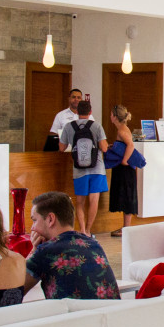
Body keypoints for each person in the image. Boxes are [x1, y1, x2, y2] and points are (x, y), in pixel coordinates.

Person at [23, 191, 120, 300]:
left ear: (50, 219)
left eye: (34, 220)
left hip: (75, 312)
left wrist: (34, 250)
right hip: (113, 310)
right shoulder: (94, 245)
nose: (32, 228)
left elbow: (14, 291)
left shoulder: (46, 251)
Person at [59, 99, 108, 237]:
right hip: (97, 169)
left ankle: (82, 230)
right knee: (94, 200)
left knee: (80, 202)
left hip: (79, 169)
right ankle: (88, 230)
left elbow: (61, 148)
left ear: (77, 112)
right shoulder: (97, 126)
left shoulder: (69, 126)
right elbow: (104, 148)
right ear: (90, 112)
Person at [107, 104, 138, 237]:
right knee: (125, 195)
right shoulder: (121, 129)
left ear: (114, 116)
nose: (110, 116)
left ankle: (126, 228)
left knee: (127, 195)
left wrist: (125, 160)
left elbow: (130, 145)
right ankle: (125, 227)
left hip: (125, 168)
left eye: (111, 114)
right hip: (122, 168)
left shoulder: (122, 130)